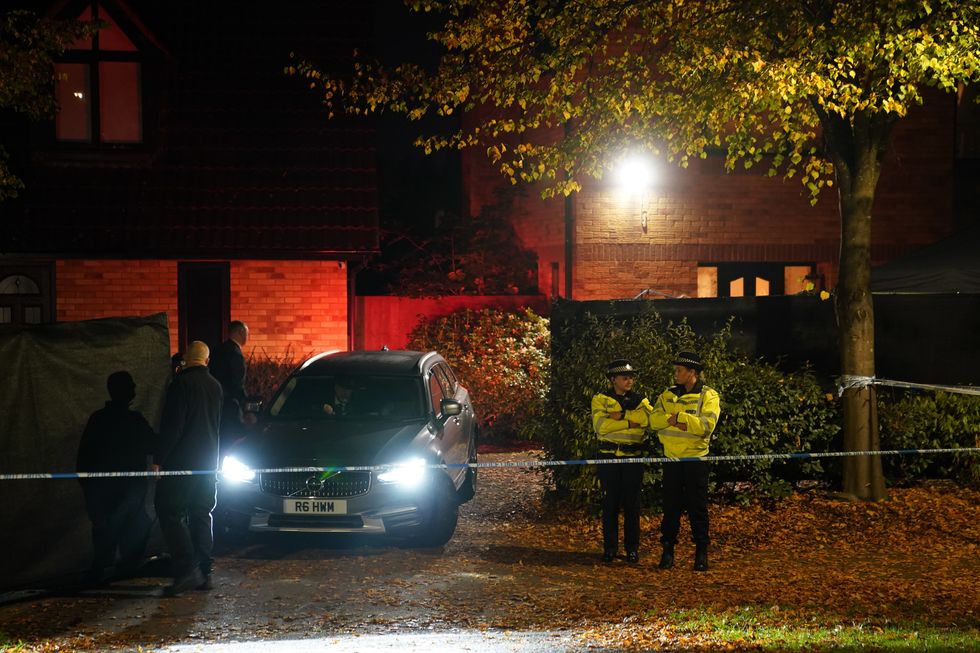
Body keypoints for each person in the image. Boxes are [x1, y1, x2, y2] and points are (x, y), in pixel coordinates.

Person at [154, 340, 223, 596]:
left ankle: (185, 570)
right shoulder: (215, 386)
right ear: (206, 361)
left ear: (185, 360)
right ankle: (205, 571)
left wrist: (160, 458)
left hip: (183, 463)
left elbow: (174, 427)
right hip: (209, 462)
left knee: (169, 510)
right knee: (201, 512)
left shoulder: (180, 385)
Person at [76, 371, 155, 585]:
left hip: (103, 491)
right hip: (126, 490)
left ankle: (105, 571)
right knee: (128, 528)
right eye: (131, 386)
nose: (135, 389)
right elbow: (154, 445)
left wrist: (88, 486)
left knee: (108, 530)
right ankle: (113, 571)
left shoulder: (98, 419)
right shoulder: (133, 421)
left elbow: (83, 457)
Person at [648, 351, 721, 572]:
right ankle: (668, 551)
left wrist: (678, 418)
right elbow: (654, 420)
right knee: (670, 508)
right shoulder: (667, 395)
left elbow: (706, 427)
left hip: (695, 461)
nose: (675, 374)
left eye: (679, 370)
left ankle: (701, 553)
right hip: (672, 460)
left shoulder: (708, 396)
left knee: (698, 508)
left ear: (692, 373)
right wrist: (682, 421)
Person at [590, 359, 652, 563]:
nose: (629, 380)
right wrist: (630, 422)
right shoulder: (601, 399)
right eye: (625, 377)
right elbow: (601, 427)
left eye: (631, 377)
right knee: (610, 505)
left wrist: (620, 417)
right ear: (612, 379)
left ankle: (632, 549)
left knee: (632, 506)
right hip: (609, 459)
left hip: (633, 459)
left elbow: (647, 421)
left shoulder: (641, 400)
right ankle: (610, 549)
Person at [208, 320, 250, 453]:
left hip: (215, 406)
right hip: (230, 408)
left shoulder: (217, 351)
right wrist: (246, 406)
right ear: (240, 332)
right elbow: (237, 384)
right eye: (247, 333)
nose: (248, 337)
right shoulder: (235, 354)